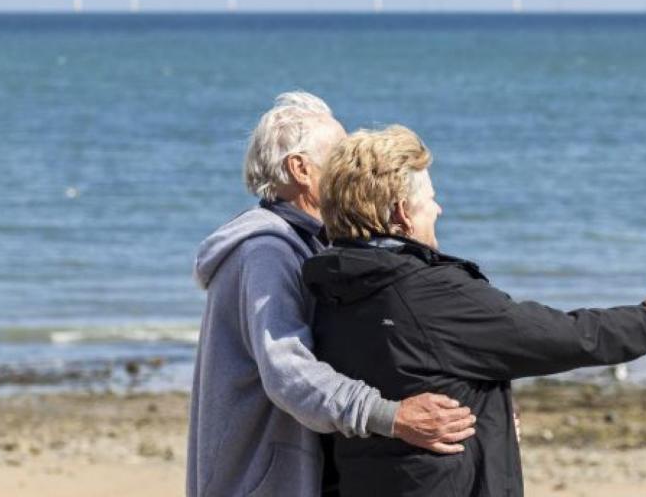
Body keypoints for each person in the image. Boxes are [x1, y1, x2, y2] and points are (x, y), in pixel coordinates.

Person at [303, 125, 646, 497]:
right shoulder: (425, 291)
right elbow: (555, 336)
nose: (438, 208)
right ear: (402, 212)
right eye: (430, 199)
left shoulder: (334, 286)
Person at [187, 94, 476, 497]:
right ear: (300, 169)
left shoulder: (314, 245)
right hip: (264, 481)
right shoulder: (265, 251)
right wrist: (390, 417)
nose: (352, 168)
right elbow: (290, 372)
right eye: (339, 157)